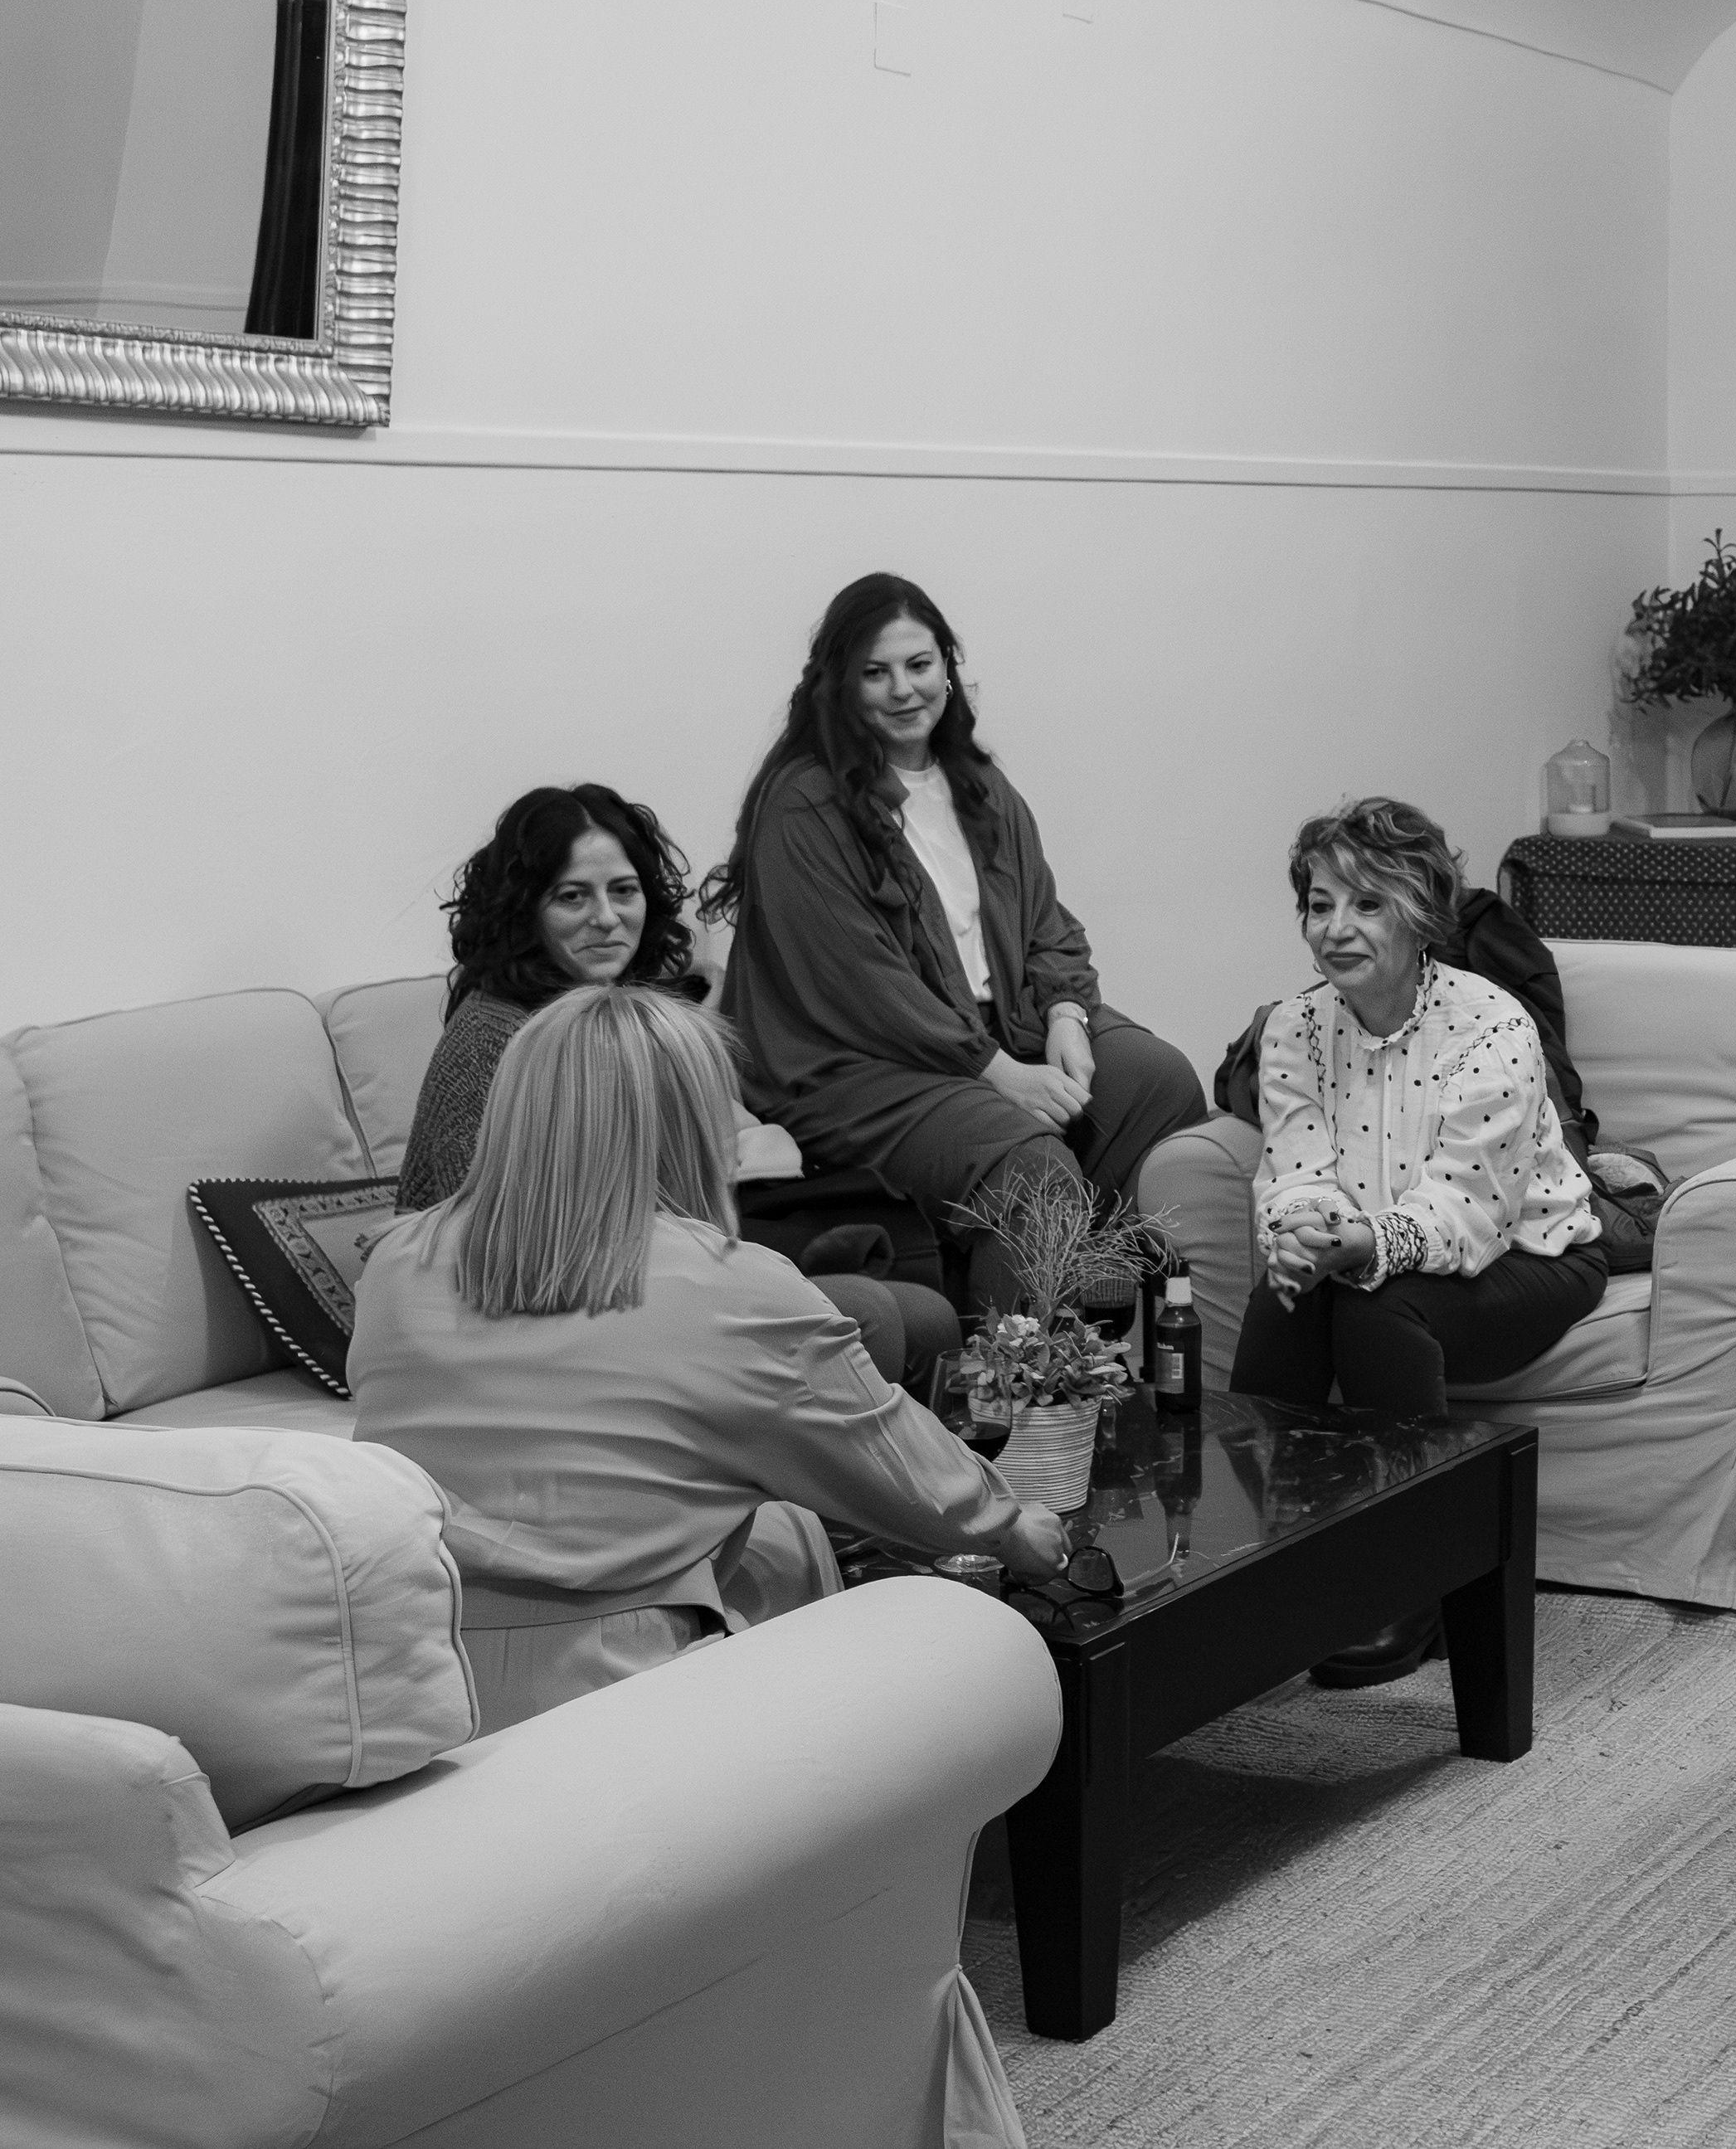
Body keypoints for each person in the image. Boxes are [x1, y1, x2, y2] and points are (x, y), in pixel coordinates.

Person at [352, 984, 1070, 1736]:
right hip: (615, 1700)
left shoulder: (396, 1262)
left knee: (774, 1529)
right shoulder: (732, 1285)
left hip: (412, 1678)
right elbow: (902, 1469)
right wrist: (1012, 1527)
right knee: (804, 1536)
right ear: (687, 1122)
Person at [708, 575, 1208, 1315]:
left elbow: (1047, 922)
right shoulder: (805, 804)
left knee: (1155, 1081)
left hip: (995, 1029)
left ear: (948, 666)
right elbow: (866, 987)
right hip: (860, 1067)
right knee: (1031, 1166)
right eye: (875, 672)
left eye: (919, 664)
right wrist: (997, 1072)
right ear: (839, 685)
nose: (903, 689)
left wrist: (1067, 1013)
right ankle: (1009, 1374)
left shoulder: (979, 785)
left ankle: (1079, 1301)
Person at [401, 783, 959, 1386]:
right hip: (534, 1301)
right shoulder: (498, 1036)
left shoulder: (624, 1011)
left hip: (646, 1263)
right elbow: (478, 1242)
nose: (606, 918)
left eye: (624, 890)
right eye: (572, 896)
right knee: (868, 1310)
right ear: (523, 910)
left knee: (928, 1317)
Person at [1230, 797, 1609, 1686]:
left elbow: (1465, 1214)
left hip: (1532, 1256)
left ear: (1421, 912)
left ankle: (1413, 1584)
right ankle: (1259, 1561)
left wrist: (1359, 1244)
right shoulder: (1293, 1027)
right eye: (1320, 904)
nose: (1336, 928)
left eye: (1367, 903)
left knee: (1379, 1308)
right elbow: (1295, 1171)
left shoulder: (1492, 1026)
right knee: (1284, 1298)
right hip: (1376, 1250)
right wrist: (1303, 1235)